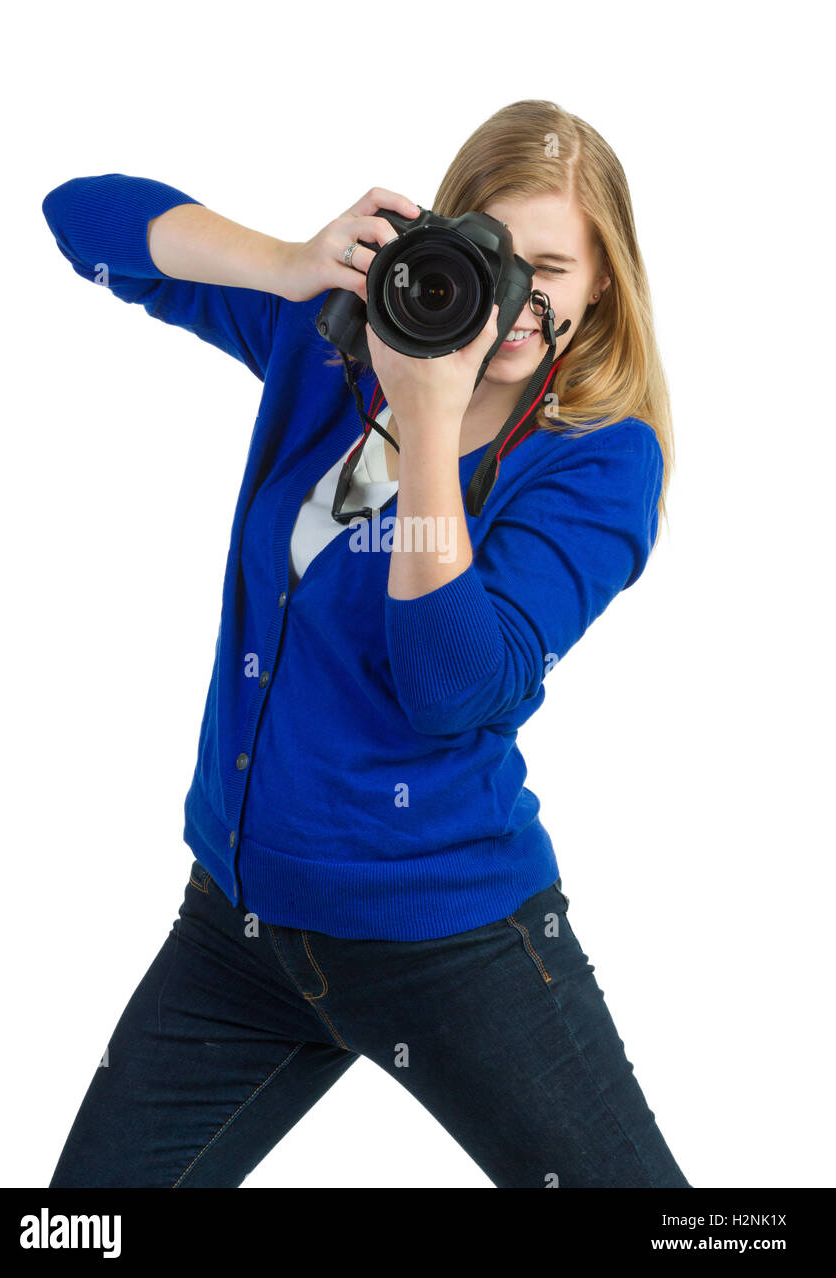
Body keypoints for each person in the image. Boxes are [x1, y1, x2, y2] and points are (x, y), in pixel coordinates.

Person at [42, 98, 691, 1189]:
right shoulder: (334, 350)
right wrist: (291, 261)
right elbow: (81, 220)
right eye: (498, 254)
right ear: (448, 246)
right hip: (240, 931)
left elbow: (450, 687)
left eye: (555, 266)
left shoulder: (595, 460)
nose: (522, 297)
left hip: (446, 937)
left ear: (600, 289)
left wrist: (428, 420)